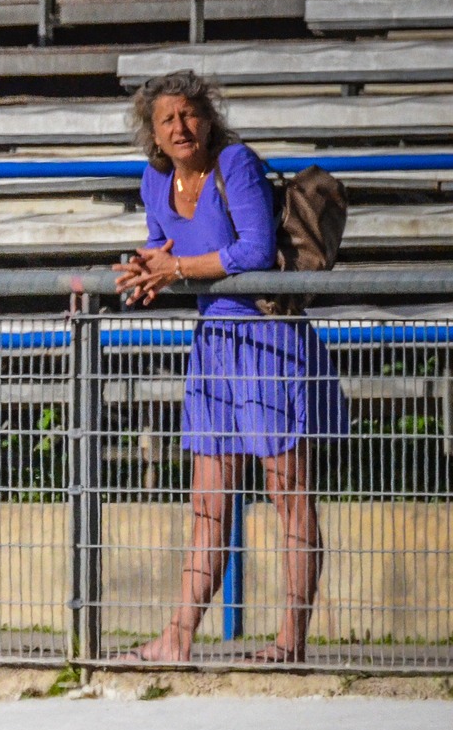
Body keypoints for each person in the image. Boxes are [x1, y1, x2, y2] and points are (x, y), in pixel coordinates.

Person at [114, 72, 344, 665]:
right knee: (208, 501)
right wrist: (145, 267)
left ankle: (290, 641)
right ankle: (178, 637)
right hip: (213, 343)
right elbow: (164, 244)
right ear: (153, 134)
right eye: (167, 120)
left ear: (208, 118)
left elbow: (252, 252)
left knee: (287, 492)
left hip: (268, 337)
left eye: (190, 115)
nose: (180, 127)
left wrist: (176, 271)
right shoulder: (155, 178)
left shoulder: (234, 162)